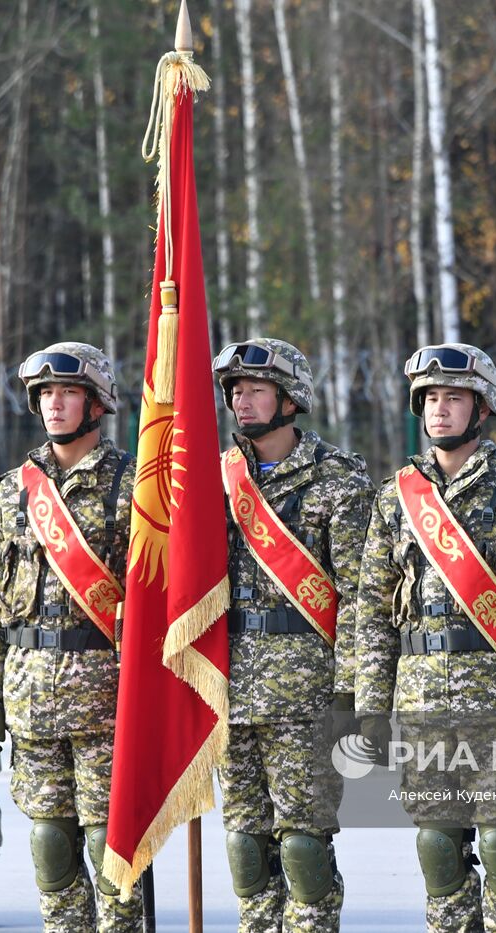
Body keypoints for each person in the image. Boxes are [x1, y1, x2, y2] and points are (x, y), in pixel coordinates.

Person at [355, 343, 496, 932]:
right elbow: (371, 607)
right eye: (429, 399)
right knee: (437, 847)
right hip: (421, 701)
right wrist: (371, 707)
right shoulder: (397, 496)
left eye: (454, 398)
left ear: (482, 407)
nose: (439, 410)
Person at [0, 343, 142, 931]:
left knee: (109, 848)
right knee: (49, 844)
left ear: (96, 403)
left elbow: (158, 601)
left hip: (108, 699)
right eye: (45, 395)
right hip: (30, 693)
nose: (54, 405)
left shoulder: (133, 486)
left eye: (67, 393)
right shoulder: (14, 490)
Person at [211, 338, 373, 932]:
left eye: (255, 388)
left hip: (307, 691)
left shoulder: (340, 482)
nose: (241, 400)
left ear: (290, 397)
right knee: (246, 846)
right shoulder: (213, 481)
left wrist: (351, 688)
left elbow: (362, 597)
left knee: (304, 848)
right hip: (229, 687)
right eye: (235, 390)